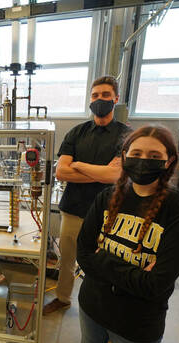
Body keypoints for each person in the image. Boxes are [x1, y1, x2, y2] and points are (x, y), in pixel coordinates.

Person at [54, 126, 179, 343]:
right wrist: (127, 272)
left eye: (154, 156)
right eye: (136, 154)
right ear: (124, 158)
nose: (144, 161)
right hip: (94, 304)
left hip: (138, 318)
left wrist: (103, 260)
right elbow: (83, 252)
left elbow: (156, 283)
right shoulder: (107, 196)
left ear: (169, 161)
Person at [44, 76, 132, 314]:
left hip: (110, 211)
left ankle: (106, 309)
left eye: (105, 95)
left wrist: (80, 165)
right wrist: (101, 172)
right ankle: (63, 298)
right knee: (67, 259)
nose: (99, 100)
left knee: (108, 262)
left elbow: (115, 176)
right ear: (89, 99)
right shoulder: (77, 132)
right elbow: (61, 171)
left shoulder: (126, 136)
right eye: (95, 95)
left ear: (116, 98)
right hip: (74, 207)